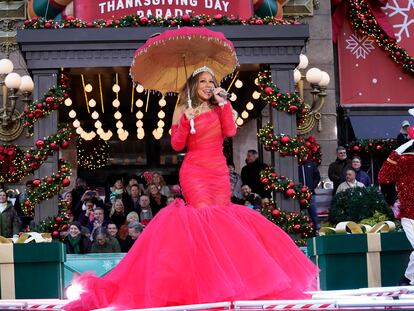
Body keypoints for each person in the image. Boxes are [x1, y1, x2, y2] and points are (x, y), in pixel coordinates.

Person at [65, 66, 317, 310]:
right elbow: (176, 144)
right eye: (203, 81)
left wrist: (225, 103)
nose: (208, 85)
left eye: (212, 81)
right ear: (194, 85)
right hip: (194, 172)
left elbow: (230, 131)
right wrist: (186, 120)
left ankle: (228, 283)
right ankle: (203, 286)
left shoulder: (220, 107)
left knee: (222, 224)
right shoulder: (183, 109)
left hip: (218, 171)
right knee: (202, 224)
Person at [378, 135, 414, 285]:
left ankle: (407, 279)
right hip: (409, 214)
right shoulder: (404, 160)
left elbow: (383, 176)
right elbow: (383, 177)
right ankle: (407, 279)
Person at [298, 156, 321, 235]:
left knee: (313, 214)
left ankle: (315, 232)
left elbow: (317, 176)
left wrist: (312, 186)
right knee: (300, 214)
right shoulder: (297, 165)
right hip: (298, 194)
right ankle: (302, 233)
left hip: (311, 194)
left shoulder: (311, 164)